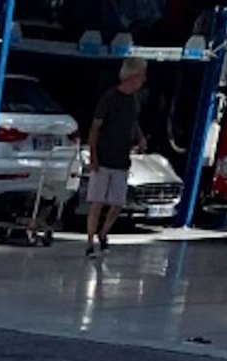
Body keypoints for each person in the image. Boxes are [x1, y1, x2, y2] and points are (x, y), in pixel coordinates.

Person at [85, 57, 148, 257]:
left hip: (121, 159)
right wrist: (93, 155)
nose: (143, 80)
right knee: (97, 201)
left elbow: (133, 121)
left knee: (117, 203)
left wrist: (140, 138)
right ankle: (89, 242)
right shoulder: (110, 97)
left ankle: (103, 233)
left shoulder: (134, 100)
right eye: (141, 76)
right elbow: (96, 127)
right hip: (104, 157)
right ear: (132, 76)